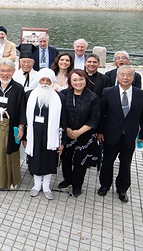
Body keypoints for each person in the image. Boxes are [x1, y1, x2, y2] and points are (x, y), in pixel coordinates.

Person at [97, 65, 143, 203]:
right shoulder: (108, 92)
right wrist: (100, 132)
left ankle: (122, 189)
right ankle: (104, 185)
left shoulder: (141, 94)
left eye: (128, 75)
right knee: (107, 161)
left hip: (129, 135)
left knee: (126, 163)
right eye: (122, 75)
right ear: (117, 76)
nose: (125, 78)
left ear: (133, 77)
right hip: (111, 134)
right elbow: (102, 114)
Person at [0, 59, 26, 189]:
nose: (5, 74)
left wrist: (21, 127)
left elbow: (22, 109)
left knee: (10, 152)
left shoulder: (18, 88)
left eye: (8, 71)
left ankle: (11, 180)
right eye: (2, 70)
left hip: (10, 124)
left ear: (13, 72)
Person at [24, 68, 64, 200]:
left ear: (52, 82)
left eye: (48, 80)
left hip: (50, 137)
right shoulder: (29, 95)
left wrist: (62, 142)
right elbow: (24, 118)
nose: (45, 83)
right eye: (43, 80)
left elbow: (64, 120)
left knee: (48, 161)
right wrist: (24, 137)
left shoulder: (59, 97)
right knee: (35, 160)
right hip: (34, 135)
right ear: (39, 81)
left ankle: (46, 187)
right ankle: (36, 185)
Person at [58, 69, 100, 197]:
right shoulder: (64, 94)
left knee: (80, 162)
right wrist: (68, 129)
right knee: (65, 158)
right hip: (67, 132)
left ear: (86, 80)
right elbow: (59, 114)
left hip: (84, 134)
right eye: (74, 79)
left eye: (81, 79)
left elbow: (95, 118)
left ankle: (77, 185)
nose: (78, 82)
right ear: (70, 81)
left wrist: (78, 132)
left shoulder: (92, 97)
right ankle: (67, 179)